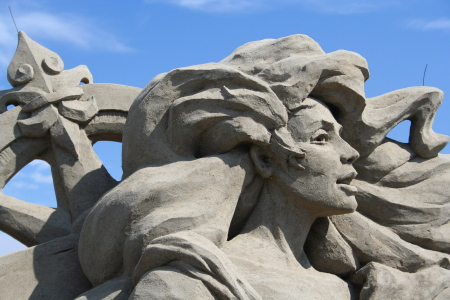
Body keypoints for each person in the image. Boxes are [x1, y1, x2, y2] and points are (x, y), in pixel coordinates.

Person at [77, 35, 450, 299]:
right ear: (266, 159)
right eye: (321, 139)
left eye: (342, 137)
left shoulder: (358, 288)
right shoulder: (188, 282)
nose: (348, 152)